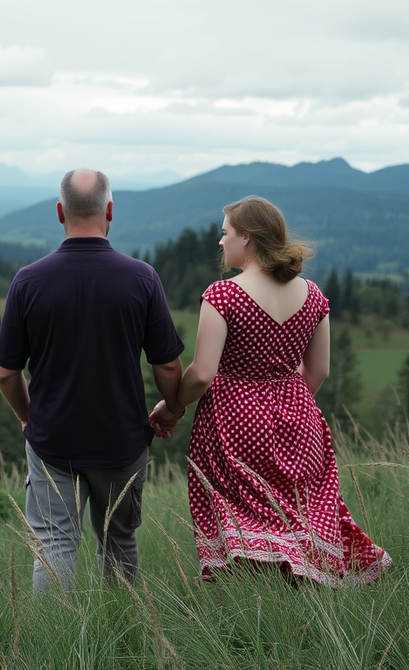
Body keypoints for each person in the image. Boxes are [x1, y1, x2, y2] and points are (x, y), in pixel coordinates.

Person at [151, 196, 391, 587]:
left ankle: (255, 608)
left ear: (247, 238)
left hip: (236, 421)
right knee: (297, 515)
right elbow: (319, 371)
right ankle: (297, 600)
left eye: (225, 233)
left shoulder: (223, 295)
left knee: (243, 518)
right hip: (300, 418)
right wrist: (284, 401)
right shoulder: (313, 295)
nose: (220, 241)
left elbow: (202, 374)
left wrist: (173, 405)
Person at [0, 168, 185, 591]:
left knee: (55, 543)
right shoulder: (142, 278)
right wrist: (172, 409)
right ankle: (120, 638)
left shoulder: (28, 281)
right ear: (109, 211)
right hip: (122, 440)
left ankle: (48, 648)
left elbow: (6, 373)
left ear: (60, 212)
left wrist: (28, 418)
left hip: (52, 441)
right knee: (119, 541)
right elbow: (168, 366)